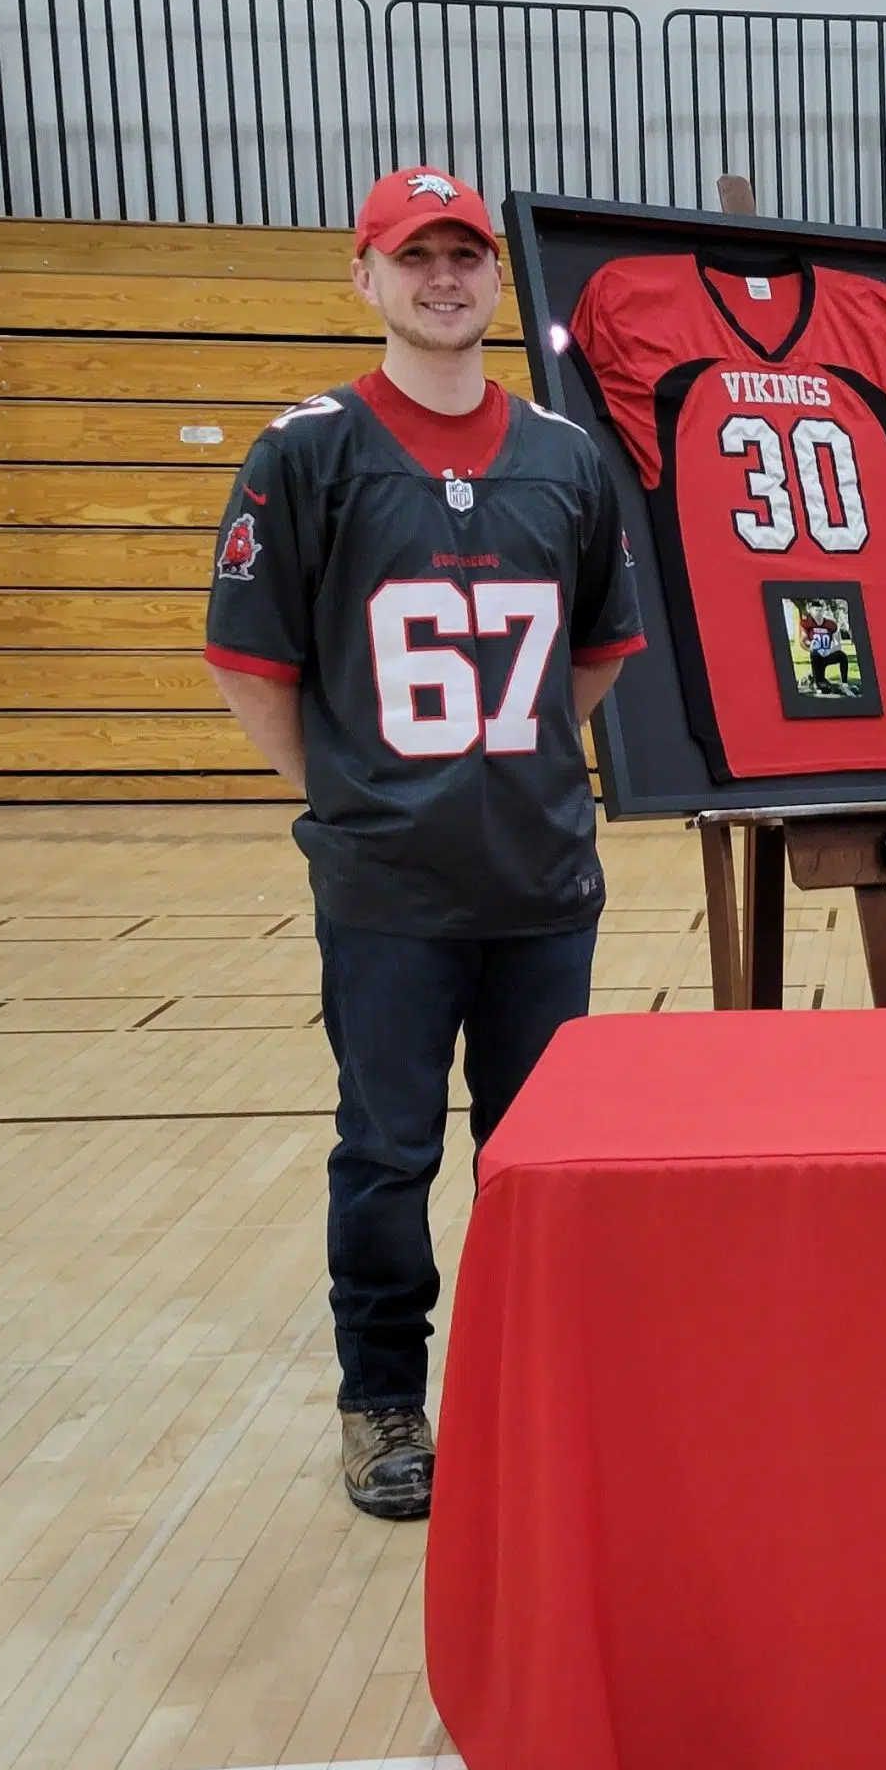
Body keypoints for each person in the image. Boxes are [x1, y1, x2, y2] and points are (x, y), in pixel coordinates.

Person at [202, 167, 645, 1519]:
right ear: (367, 275)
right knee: (388, 1153)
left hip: (538, 882)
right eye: (415, 257)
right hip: (387, 887)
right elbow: (251, 665)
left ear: (496, 282)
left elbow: (594, 656)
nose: (442, 278)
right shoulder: (306, 452)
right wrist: (357, 793)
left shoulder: (566, 457)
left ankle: (527, 1391)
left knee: (534, 1157)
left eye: (465, 256)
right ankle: (383, 1400)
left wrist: (497, 779)